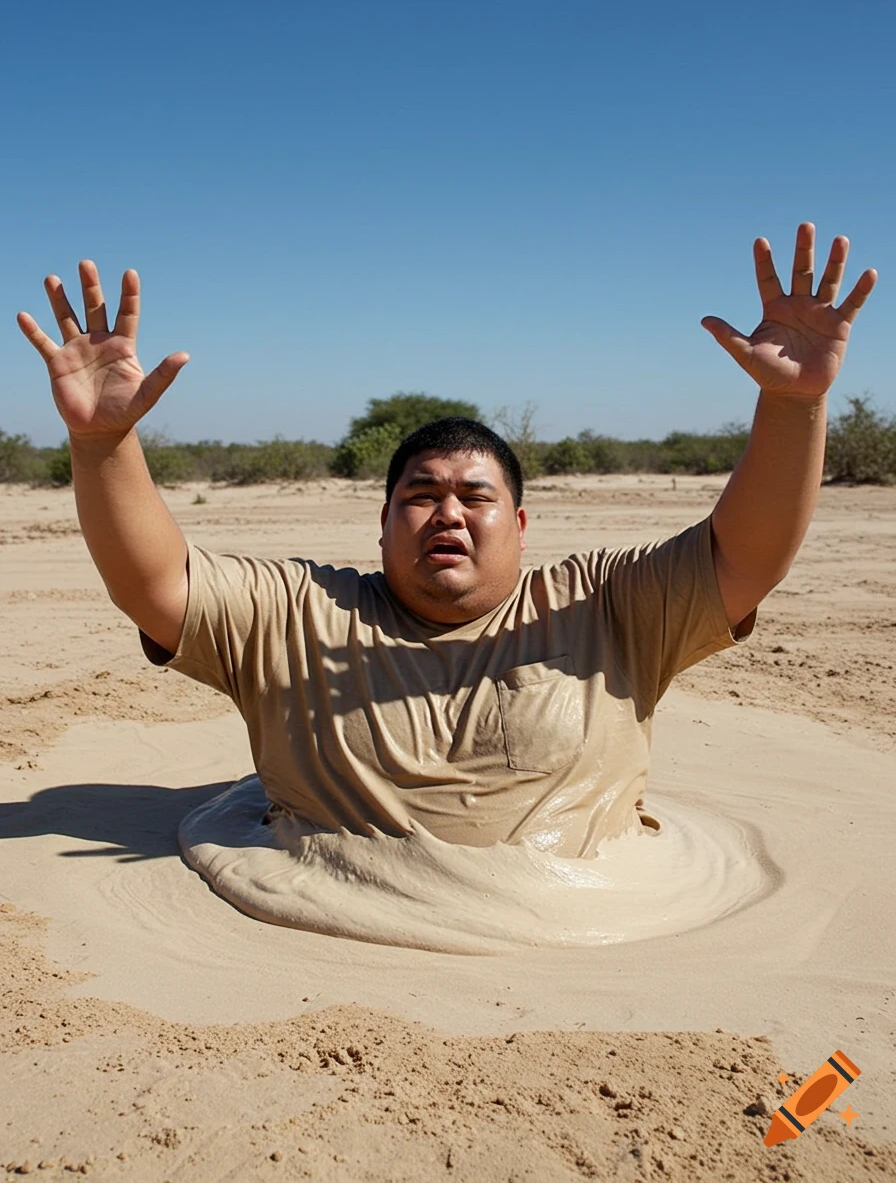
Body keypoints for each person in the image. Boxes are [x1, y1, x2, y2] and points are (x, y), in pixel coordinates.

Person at [16, 224, 877, 859]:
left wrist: (794, 407)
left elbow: (745, 559)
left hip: (580, 934)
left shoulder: (606, 607)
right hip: (325, 933)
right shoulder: (298, 613)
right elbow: (156, 584)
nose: (448, 514)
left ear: (522, 524)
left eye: (475, 496)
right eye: (419, 496)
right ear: (383, 524)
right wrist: (101, 446)